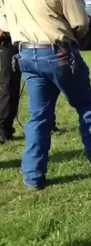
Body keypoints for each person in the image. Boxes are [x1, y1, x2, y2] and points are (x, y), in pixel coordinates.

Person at [2, 0, 91, 190]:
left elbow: (4, 23)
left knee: (38, 116)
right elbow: (80, 22)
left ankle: (33, 175)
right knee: (86, 104)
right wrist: (72, 39)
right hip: (57, 51)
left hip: (27, 54)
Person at [0, 2, 21, 144]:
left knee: (43, 80)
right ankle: (3, 128)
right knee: (9, 83)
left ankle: (49, 122)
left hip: (29, 34)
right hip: (8, 36)